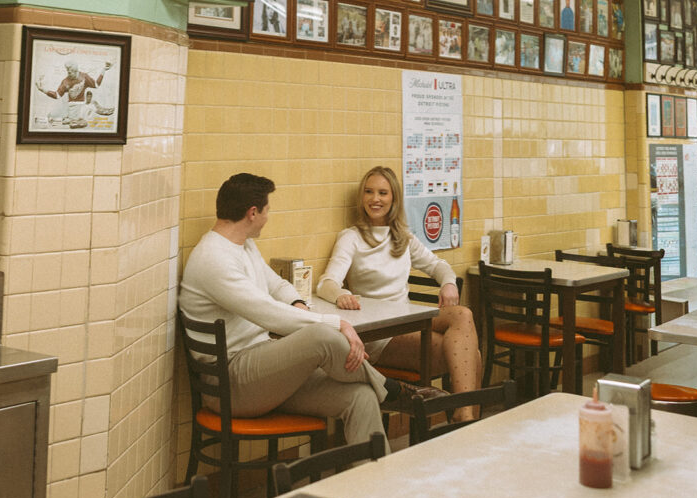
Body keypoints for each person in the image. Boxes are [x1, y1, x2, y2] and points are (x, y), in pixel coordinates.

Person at [179, 173, 444, 452]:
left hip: (265, 373)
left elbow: (276, 285)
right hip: (232, 383)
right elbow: (267, 313)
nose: (269, 217)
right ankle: (394, 391)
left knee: (361, 396)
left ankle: (373, 487)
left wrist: (298, 304)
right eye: (267, 210)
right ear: (252, 213)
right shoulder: (213, 258)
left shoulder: (243, 244)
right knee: (321, 335)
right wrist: (336, 323)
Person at [317, 166, 482, 422]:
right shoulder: (351, 237)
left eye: (383, 193)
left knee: (463, 315)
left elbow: (438, 265)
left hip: (407, 321)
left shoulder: (402, 237)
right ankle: (467, 421)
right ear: (361, 197)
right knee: (471, 354)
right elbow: (326, 283)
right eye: (369, 192)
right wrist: (340, 294)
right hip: (380, 336)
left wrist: (448, 283)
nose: (375, 199)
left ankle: (465, 417)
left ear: (394, 198)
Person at [36, 59, 112, 102]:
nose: (69, 74)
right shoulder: (65, 81)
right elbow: (57, 95)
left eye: (71, 72)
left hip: (82, 106)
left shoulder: (84, 76)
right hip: (71, 107)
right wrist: (43, 90)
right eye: (67, 71)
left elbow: (96, 85)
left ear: (76, 71)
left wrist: (104, 70)